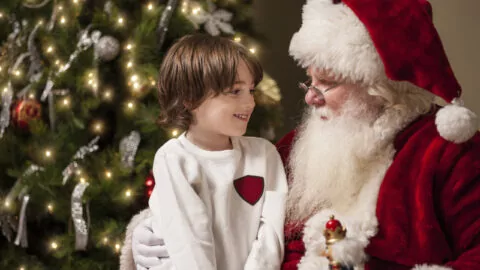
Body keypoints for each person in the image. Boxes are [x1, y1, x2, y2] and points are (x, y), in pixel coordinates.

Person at [120, 0, 480, 269]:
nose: (310, 95)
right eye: (310, 80)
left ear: (380, 86)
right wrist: (148, 232)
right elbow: (220, 209)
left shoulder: (448, 153)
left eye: (329, 83)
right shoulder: (294, 148)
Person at [126, 34, 288, 270]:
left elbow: (271, 233)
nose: (250, 102)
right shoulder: (174, 159)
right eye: (235, 91)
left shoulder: (264, 155)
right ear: (190, 99)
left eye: (251, 90)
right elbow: (189, 246)